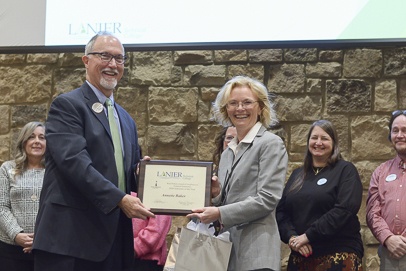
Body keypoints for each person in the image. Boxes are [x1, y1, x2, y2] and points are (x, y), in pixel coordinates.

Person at [32, 32, 155, 271]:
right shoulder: (68, 106)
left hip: (114, 241)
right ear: (86, 61)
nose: (112, 64)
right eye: (105, 56)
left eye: (119, 59)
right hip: (70, 242)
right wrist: (120, 198)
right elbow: (75, 163)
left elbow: (120, 173)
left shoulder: (126, 119)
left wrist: (141, 174)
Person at [187, 75, 288, 271]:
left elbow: (267, 199)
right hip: (227, 254)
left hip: (257, 255)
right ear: (226, 109)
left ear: (260, 107)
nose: (240, 109)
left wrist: (219, 212)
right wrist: (217, 195)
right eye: (233, 103)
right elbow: (228, 201)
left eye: (247, 102)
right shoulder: (227, 153)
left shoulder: (270, 144)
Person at [276, 120, 364, 271]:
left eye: (324, 138)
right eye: (314, 138)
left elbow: (345, 209)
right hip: (301, 256)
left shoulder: (345, 170)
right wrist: (292, 238)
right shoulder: (298, 174)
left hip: (338, 254)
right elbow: (281, 212)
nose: (318, 142)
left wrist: (308, 236)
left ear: (334, 143)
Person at [0, 121, 46, 271]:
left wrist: (41, 238)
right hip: (10, 249)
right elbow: (1, 206)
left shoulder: (54, 172)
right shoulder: (7, 168)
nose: (37, 141)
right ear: (23, 141)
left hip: (46, 248)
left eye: (42, 137)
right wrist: (17, 234)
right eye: (31, 137)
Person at [366, 109, 406, 270]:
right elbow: (372, 212)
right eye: (395, 130)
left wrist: (402, 242)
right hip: (389, 253)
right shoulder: (381, 172)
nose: (400, 135)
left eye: (405, 130)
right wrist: (388, 238)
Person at [131, 192, 172, 271]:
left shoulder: (157, 190)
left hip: (146, 261)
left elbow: (156, 230)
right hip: (118, 255)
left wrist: (134, 248)